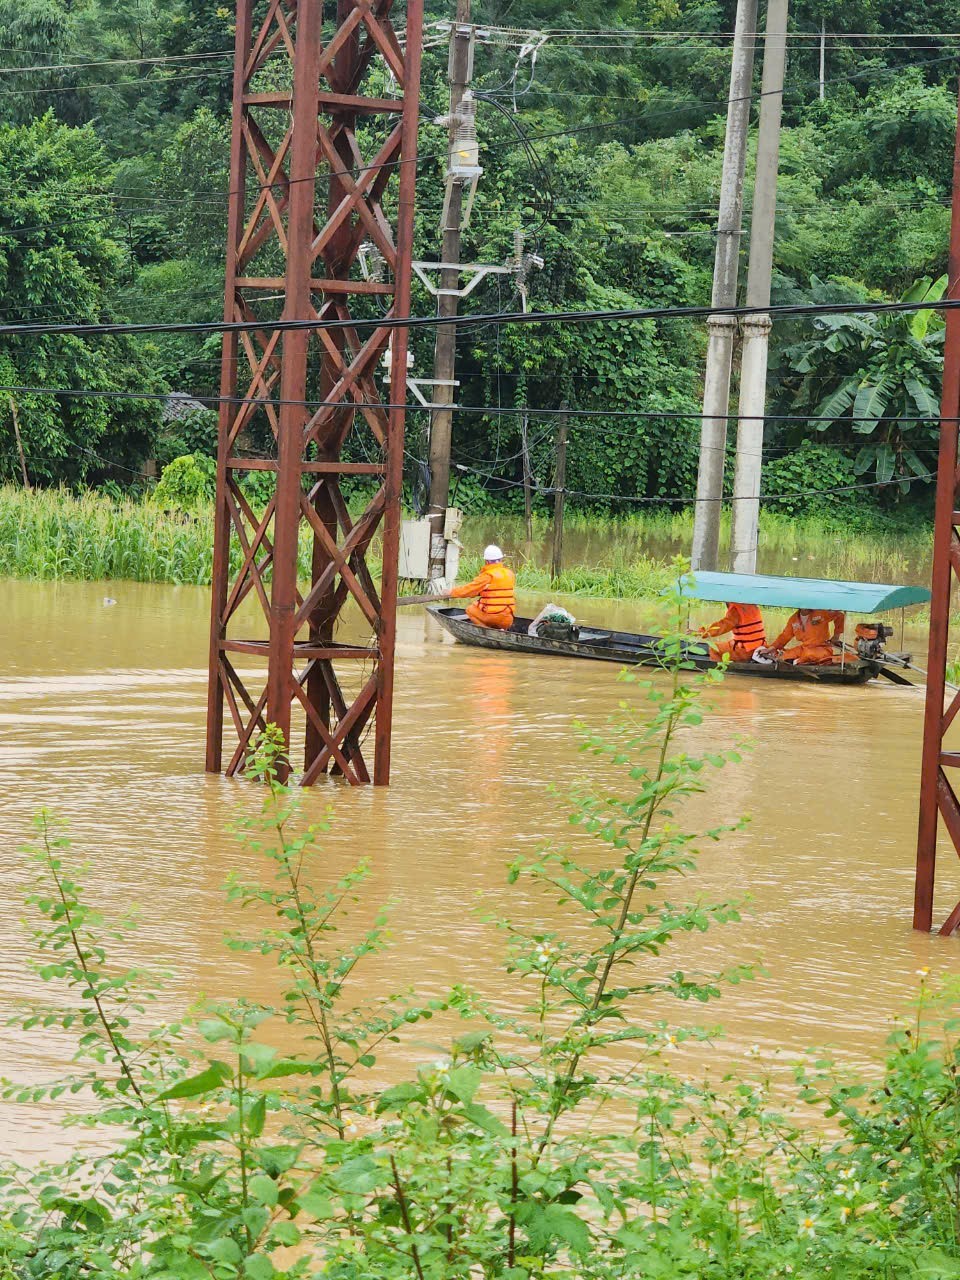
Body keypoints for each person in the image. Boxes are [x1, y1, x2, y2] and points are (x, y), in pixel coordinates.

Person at [449, 545, 516, 630]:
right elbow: (499, 590)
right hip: (508, 620)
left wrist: (451, 592)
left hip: (493, 618)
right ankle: (503, 630)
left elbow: (469, 589)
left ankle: (486, 630)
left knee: (470, 610)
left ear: (487, 561)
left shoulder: (487, 575)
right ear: (501, 560)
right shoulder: (510, 574)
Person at [764, 608, 845, 666]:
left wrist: (836, 635)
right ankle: (797, 661)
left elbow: (840, 615)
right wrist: (771, 648)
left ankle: (798, 661)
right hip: (804, 648)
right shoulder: (793, 619)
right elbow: (784, 636)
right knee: (783, 657)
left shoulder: (821, 612)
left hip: (822, 648)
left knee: (808, 655)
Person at [697, 601, 766, 662]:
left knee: (713, 648)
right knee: (730, 643)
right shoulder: (753, 605)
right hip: (760, 646)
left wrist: (703, 632)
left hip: (746, 650)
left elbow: (722, 626)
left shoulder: (735, 610)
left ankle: (719, 672)